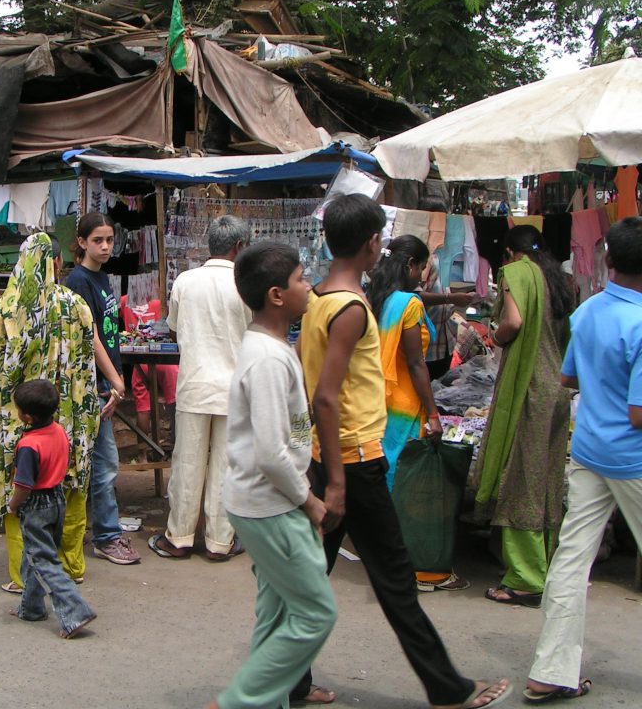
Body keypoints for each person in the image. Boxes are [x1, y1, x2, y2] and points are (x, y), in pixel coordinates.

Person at [294, 193, 510, 709]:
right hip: (353, 462)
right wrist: (341, 483)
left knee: (309, 578)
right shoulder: (348, 309)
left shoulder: (320, 300)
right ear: (372, 244)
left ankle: (290, 680)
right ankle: (447, 688)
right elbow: (326, 396)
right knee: (395, 582)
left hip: (332, 459)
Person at [204, 242, 336, 709]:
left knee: (277, 610)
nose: (309, 286)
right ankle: (239, 700)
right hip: (271, 504)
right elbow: (272, 453)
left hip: (262, 502)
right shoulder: (266, 358)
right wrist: (309, 500)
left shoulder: (273, 348)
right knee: (316, 612)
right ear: (278, 295)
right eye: (302, 279)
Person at [523, 217, 642, 702]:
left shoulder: (589, 311)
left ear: (608, 259)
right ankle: (550, 671)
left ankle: (549, 670)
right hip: (630, 457)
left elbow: (569, 378)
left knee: (571, 561)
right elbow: (638, 415)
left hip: (591, 451)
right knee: (572, 559)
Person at [0, 233, 101, 591]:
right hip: (68, 421)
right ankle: (71, 568)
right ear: (57, 264)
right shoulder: (75, 305)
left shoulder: (6, 309)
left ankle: (23, 576)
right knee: (71, 487)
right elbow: (86, 363)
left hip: (20, 421)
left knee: (20, 496)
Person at [473, 225, 573, 607]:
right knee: (546, 482)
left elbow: (512, 322)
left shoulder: (517, 273)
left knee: (521, 482)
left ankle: (527, 579)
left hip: (529, 389)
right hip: (557, 389)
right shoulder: (559, 281)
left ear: (511, 254)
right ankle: (545, 567)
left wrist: (494, 337)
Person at [367, 235, 470, 593]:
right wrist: (433, 413)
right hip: (406, 403)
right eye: (423, 267)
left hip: (381, 402)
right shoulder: (407, 306)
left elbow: (418, 297)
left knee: (389, 475)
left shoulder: (379, 298)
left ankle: (386, 557)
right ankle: (409, 565)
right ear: (410, 265)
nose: (425, 274)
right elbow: (416, 363)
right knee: (407, 485)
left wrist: (450, 298)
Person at [149, 215, 251, 561]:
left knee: (188, 464)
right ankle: (219, 542)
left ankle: (178, 537)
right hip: (234, 390)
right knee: (225, 466)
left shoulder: (186, 282)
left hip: (194, 384)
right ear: (239, 247)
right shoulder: (247, 282)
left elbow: (175, 331)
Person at [65, 212, 140, 565]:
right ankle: (107, 536)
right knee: (105, 462)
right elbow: (89, 335)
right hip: (93, 383)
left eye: (109, 239)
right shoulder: (78, 281)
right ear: (82, 243)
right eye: (98, 240)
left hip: (104, 382)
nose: (106, 246)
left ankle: (101, 531)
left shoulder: (102, 277)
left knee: (100, 461)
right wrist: (114, 379)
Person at [7, 379, 97, 639]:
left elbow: (24, 485)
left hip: (37, 503)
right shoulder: (59, 430)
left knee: (45, 561)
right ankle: (31, 608)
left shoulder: (28, 445)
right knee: (34, 555)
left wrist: (13, 505)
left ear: (26, 416)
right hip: (58, 499)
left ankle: (75, 611)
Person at [119, 294, 178, 445]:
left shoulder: (125, 301)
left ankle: (142, 454)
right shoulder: (160, 301)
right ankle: (176, 443)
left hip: (140, 361)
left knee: (143, 408)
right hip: (165, 359)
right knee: (175, 402)